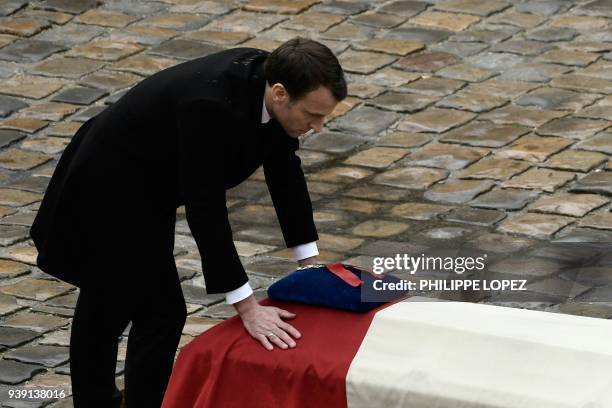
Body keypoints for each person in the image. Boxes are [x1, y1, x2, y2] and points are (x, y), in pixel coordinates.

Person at [29, 37, 347, 407]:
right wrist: (247, 307)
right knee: (141, 307)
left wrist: (308, 267)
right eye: (313, 115)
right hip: (106, 185)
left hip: (150, 189)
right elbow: (205, 208)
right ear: (280, 94)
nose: (319, 126)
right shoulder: (210, 106)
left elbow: (285, 173)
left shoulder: (273, 87)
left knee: (126, 305)